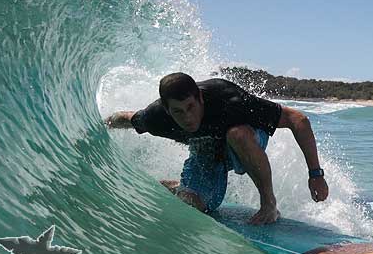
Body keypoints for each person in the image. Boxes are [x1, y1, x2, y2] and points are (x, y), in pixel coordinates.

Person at [104, 72, 329, 224]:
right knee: (195, 205)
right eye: (178, 112)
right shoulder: (157, 117)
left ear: (200, 97)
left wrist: (315, 174)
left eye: (191, 107)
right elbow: (128, 118)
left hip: (246, 140)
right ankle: (179, 187)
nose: (187, 118)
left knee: (237, 134)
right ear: (166, 108)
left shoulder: (229, 100)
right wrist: (102, 124)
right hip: (207, 151)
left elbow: (297, 118)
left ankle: (269, 205)